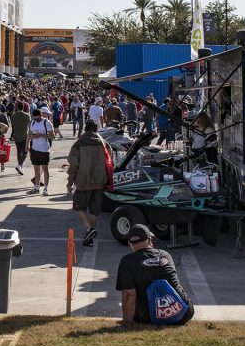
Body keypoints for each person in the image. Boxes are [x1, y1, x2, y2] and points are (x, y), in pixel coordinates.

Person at [116, 224, 194, 326]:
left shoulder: (127, 261)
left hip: (149, 317)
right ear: (149, 240)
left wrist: (126, 322)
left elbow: (129, 294)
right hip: (183, 313)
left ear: (130, 243)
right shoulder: (165, 255)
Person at [66, 119, 111, 247]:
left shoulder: (79, 144)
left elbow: (73, 166)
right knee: (94, 211)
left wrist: (70, 183)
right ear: (96, 129)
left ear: (85, 128)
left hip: (83, 181)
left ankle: (89, 229)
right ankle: (89, 238)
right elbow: (110, 161)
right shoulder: (104, 143)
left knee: (78, 207)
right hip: (100, 181)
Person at [26, 108, 54, 195]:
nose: (36, 120)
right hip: (34, 149)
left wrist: (41, 135)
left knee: (45, 168)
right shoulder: (33, 122)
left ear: (41, 115)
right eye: (34, 118)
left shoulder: (47, 123)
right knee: (36, 169)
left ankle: (45, 188)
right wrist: (26, 144)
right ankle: (36, 187)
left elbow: (52, 135)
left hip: (44, 149)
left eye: (37, 118)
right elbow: (29, 134)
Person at [9, 102, 30, 176]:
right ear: (23, 107)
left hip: (16, 135)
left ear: (17, 107)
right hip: (24, 135)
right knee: (25, 151)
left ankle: (20, 166)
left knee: (18, 151)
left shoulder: (13, 116)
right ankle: (19, 165)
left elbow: (12, 126)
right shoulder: (27, 115)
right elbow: (30, 126)